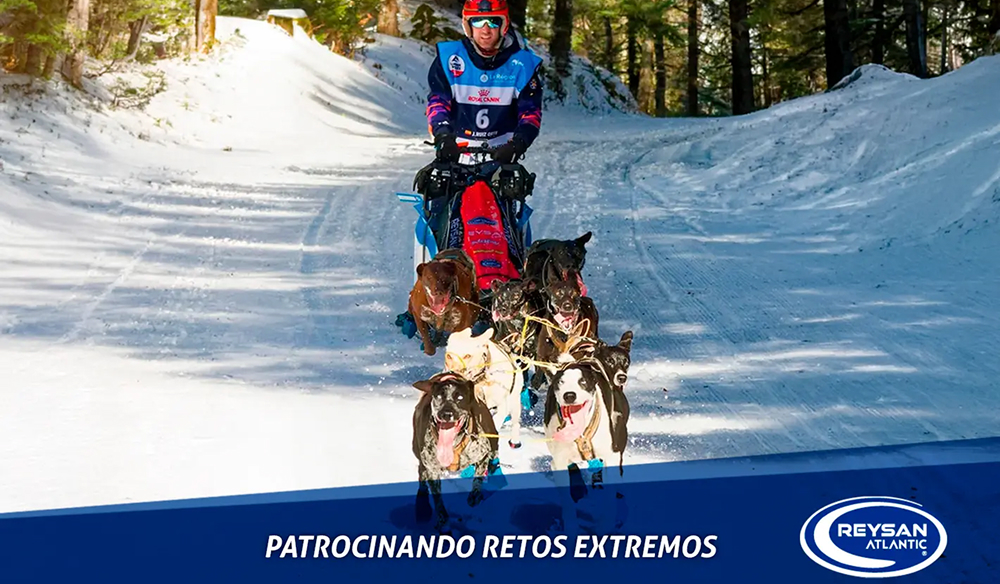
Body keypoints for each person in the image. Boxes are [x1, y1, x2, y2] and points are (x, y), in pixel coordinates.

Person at [425, 0, 544, 166]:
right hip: (455, 154)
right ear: (468, 25)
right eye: (478, 21)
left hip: (503, 156)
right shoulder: (449, 58)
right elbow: (438, 102)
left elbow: (531, 112)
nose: (486, 30)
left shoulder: (523, 65)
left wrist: (519, 144)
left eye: (493, 21)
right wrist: (443, 135)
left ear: (503, 25)